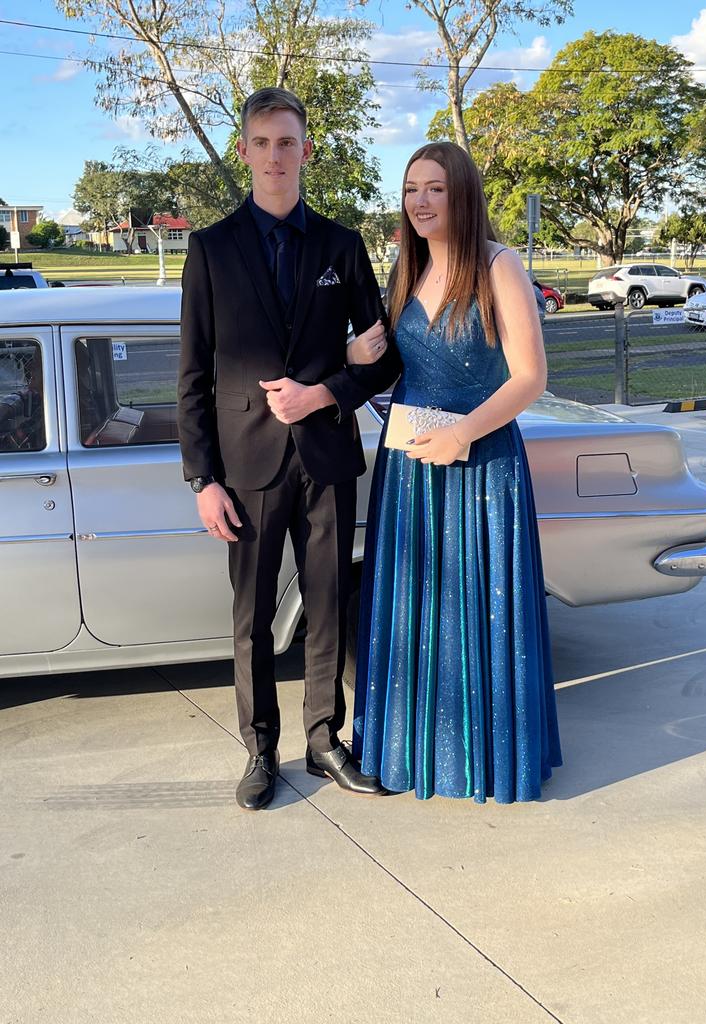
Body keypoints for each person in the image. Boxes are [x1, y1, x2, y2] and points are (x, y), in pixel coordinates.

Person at [177, 87, 402, 811]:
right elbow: (191, 372)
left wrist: (325, 390)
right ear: (243, 151)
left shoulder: (342, 246)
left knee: (331, 603)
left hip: (328, 458)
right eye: (263, 142)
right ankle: (260, 748)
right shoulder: (210, 249)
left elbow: (382, 358)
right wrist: (202, 478)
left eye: (288, 142)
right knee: (249, 617)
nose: (276, 155)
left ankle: (324, 738)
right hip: (245, 467)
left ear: (307, 150)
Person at [347, 142, 562, 804]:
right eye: (412, 188)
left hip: (482, 467)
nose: (421, 201)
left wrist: (463, 433)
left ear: (462, 194)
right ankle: (418, 755)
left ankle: (489, 763)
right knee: (418, 611)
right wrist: (354, 351)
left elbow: (531, 377)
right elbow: (395, 363)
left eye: (436, 188)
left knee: (479, 608)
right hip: (411, 473)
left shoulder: (500, 264)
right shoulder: (406, 269)